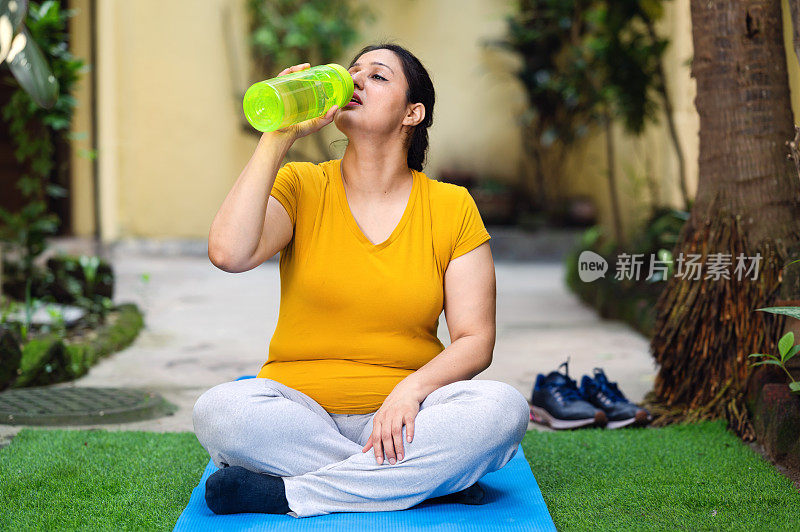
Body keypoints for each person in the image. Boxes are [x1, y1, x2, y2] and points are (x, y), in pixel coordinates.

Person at [192, 42, 530, 519]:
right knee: (219, 410)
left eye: (377, 76)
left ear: (413, 113)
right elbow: (229, 253)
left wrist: (410, 391)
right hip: (299, 412)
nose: (355, 82)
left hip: (412, 416)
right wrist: (276, 136)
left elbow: (475, 341)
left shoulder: (452, 206)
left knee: (502, 408)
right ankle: (423, 483)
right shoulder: (303, 185)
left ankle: (289, 495)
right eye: (352, 73)